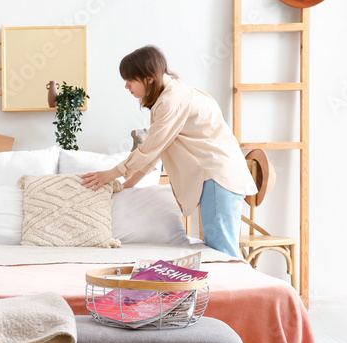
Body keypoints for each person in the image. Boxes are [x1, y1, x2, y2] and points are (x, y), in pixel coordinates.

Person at [80, 45, 256, 257]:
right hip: (217, 176)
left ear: (149, 78)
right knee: (218, 251)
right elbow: (155, 152)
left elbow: (149, 148)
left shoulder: (172, 101)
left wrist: (109, 174)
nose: (126, 86)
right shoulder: (170, 97)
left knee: (223, 254)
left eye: (130, 79)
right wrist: (126, 186)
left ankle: (236, 290)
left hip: (217, 175)